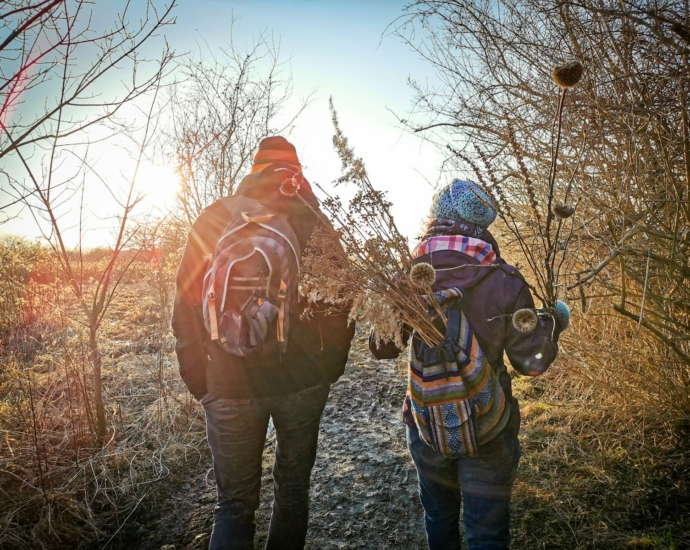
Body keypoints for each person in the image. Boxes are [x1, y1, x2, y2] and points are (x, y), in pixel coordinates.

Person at [172, 136, 356, 550]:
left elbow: (184, 303)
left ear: (253, 169)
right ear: (297, 172)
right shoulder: (315, 221)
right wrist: (330, 367)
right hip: (303, 382)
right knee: (292, 491)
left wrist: (200, 379)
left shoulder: (215, 217)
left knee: (233, 504)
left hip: (228, 382)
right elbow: (345, 303)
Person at [370, 179, 570, 550]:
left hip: (426, 419)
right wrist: (553, 324)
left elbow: (381, 348)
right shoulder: (504, 281)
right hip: (488, 426)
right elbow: (530, 364)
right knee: (487, 533)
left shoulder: (407, 278)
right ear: (483, 224)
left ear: (437, 219)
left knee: (439, 516)